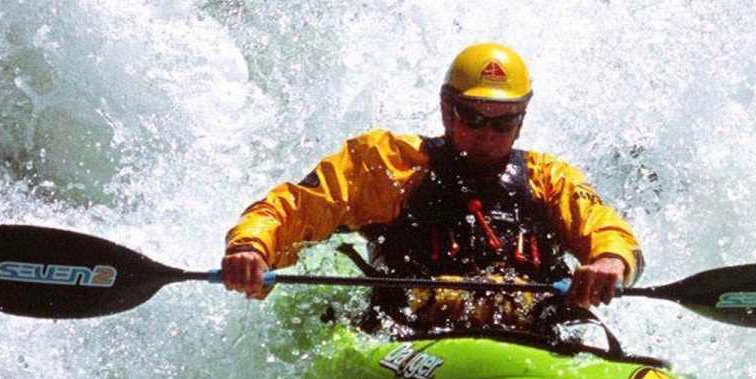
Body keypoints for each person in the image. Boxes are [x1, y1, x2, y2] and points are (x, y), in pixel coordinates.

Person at [221, 43, 642, 334]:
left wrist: (609, 263)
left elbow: (609, 233)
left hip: (537, 335)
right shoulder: (388, 164)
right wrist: (252, 249)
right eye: (472, 118)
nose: (487, 135)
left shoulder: (549, 179)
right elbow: (292, 208)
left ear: (522, 118)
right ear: (446, 108)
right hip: (413, 335)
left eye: (503, 122)